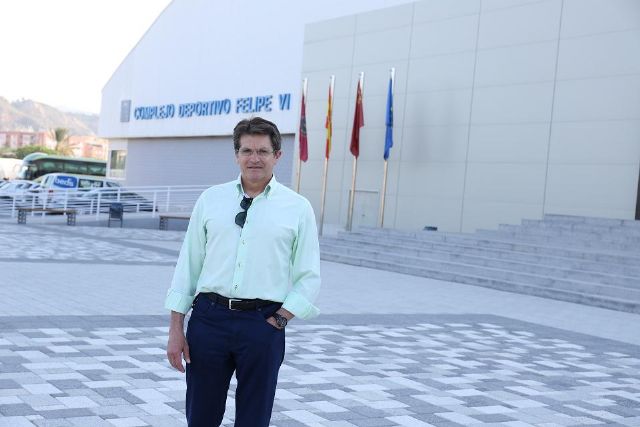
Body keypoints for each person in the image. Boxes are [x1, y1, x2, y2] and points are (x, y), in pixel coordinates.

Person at [165, 116, 321, 426]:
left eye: (263, 151)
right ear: (236, 154)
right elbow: (188, 266)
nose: (254, 158)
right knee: (201, 416)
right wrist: (175, 329)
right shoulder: (211, 200)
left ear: (277, 155)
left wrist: (277, 321)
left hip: (263, 324)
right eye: (247, 150)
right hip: (209, 321)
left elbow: (309, 276)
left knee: (254, 418)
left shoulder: (298, 208)